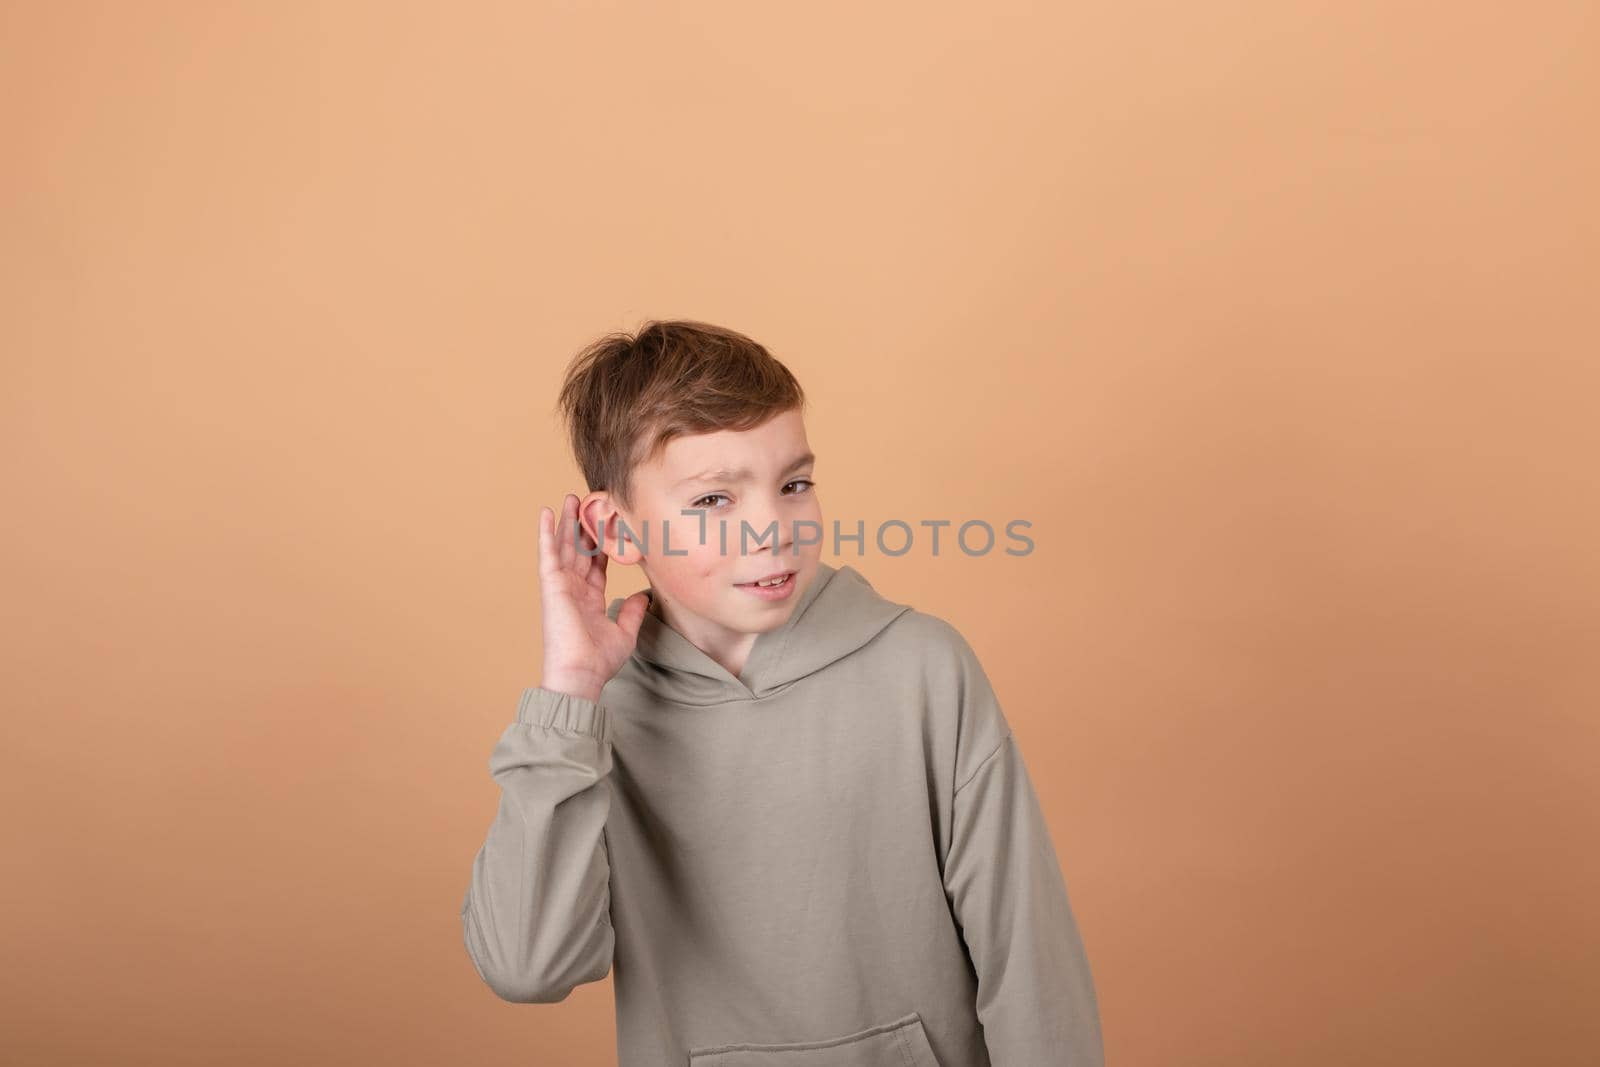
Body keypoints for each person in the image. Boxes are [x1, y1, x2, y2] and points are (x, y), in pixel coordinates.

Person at [460, 320, 1104, 1065]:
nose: (772, 529)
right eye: (712, 502)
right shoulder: (595, 716)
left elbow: (1031, 966)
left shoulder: (923, 670)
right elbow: (525, 966)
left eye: (793, 484)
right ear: (618, 530)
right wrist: (570, 693)